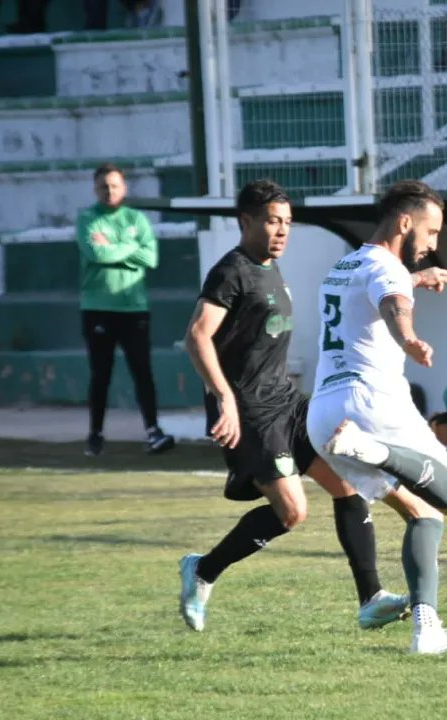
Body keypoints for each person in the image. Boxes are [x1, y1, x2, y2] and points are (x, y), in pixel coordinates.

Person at [177, 179, 408, 633]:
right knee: (292, 513)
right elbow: (197, 335)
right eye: (271, 221)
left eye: (287, 222)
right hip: (249, 412)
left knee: (348, 484)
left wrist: (414, 280)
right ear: (245, 222)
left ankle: (371, 597)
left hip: (286, 402)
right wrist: (223, 398)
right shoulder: (232, 271)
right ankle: (202, 570)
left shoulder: (271, 268)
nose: (282, 230)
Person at [306, 179, 447, 654]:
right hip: (369, 406)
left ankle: (427, 628)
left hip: (323, 414)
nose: (434, 243)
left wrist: (419, 279)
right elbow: (393, 302)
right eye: (431, 231)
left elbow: (376, 293)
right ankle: (373, 449)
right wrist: (409, 337)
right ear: (404, 223)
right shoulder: (389, 269)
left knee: (423, 513)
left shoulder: (345, 264)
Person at [76, 163, 174, 456]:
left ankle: (153, 431)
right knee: (100, 374)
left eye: (115, 186)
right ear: (96, 189)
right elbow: (97, 253)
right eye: (104, 186)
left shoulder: (136, 218)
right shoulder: (87, 219)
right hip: (98, 307)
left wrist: (116, 247)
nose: (109, 191)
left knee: (142, 371)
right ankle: (95, 434)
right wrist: (131, 247)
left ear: (124, 188)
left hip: (134, 308)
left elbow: (151, 257)